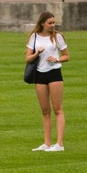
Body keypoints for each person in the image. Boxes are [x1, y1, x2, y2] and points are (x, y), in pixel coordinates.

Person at [27, 12, 69, 152]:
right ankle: (47, 143)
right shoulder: (34, 37)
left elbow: (66, 56)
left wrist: (56, 59)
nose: (52, 25)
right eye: (50, 23)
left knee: (57, 109)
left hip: (54, 73)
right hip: (39, 74)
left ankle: (60, 144)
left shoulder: (58, 36)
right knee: (45, 111)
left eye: (53, 22)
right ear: (42, 23)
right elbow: (28, 59)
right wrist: (37, 53)